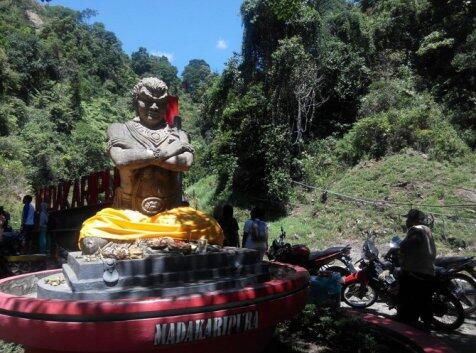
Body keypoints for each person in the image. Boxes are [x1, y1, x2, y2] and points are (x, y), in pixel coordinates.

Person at [397, 209, 436, 324]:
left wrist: (401, 246)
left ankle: (405, 324)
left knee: (406, 299)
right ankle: (426, 327)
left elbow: (407, 244)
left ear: (415, 221)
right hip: (429, 270)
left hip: (415, 271)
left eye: (408, 218)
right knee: (424, 301)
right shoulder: (427, 229)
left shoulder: (416, 230)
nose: (406, 221)